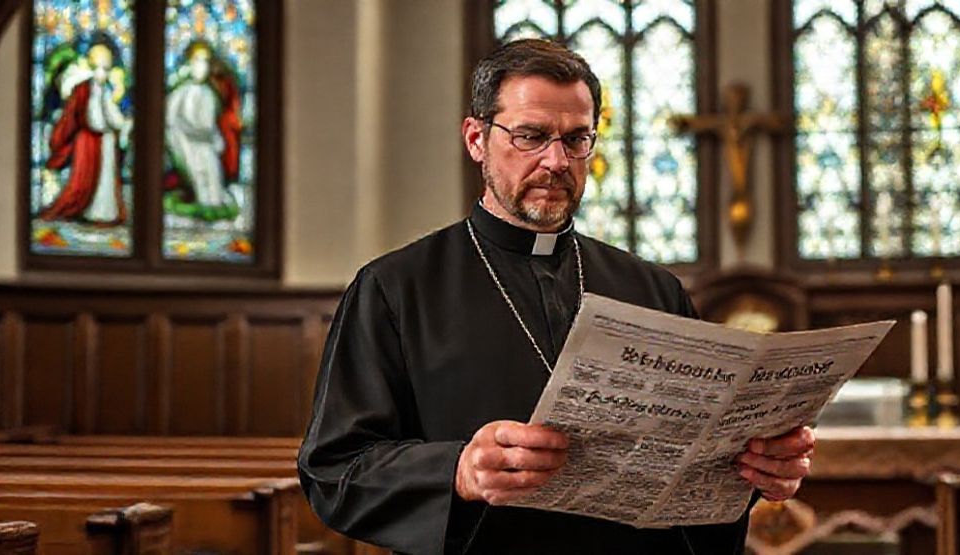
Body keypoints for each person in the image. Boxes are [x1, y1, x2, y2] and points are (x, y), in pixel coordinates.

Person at [298, 39, 814, 555]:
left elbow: (694, 472)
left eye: (576, 139)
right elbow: (334, 470)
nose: (556, 160)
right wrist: (457, 470)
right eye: (531, 136)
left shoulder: (653, 289)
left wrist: (755, 472)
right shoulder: (394, 288)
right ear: (476, 138)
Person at [40, 41, 132, 225]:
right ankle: (89, 212)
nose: (102, 73)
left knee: (105, 181)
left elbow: (111, 114)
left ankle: (106, 213)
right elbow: (77, 118)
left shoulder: (106, 90)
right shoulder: (82, 89)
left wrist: (122, 123)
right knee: (85, 182)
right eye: (98, 67)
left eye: (106, 68)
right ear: (90, 66)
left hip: (105, 141)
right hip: (88, 142)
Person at [164, 41, 242, 222]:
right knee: (198, 178)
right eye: (197, 60)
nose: (202, 66)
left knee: (213, 181)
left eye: (205, 61)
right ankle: (200, 205)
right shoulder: (180, 92)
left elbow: (211, 125)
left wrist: (216, 140)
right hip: (186, 143)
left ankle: (213, 207)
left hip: (207, 145)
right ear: (189, 64)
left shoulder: (209, 93)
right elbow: (170, 121)